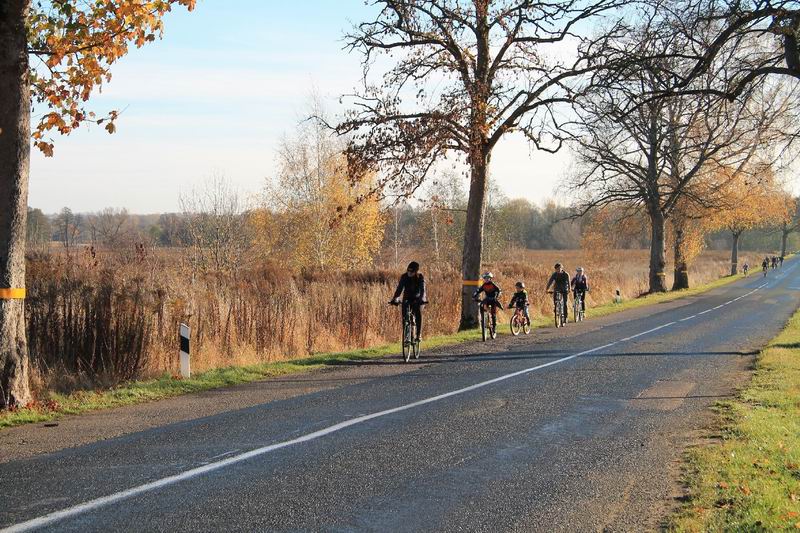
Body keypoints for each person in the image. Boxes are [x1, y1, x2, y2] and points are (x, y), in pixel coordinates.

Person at [390, 261, 427, 341]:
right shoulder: (404, 277)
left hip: (418, 298)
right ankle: (407, 335)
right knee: (404, 316)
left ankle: (418, 335)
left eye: (412, 271)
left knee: (418, 313)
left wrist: (422, 299)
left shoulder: (420, 277)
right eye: (408, 270)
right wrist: (395, 298)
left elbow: (423, 289)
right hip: (407, 298)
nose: (409, 273)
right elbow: (400, 288)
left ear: (416, 271)